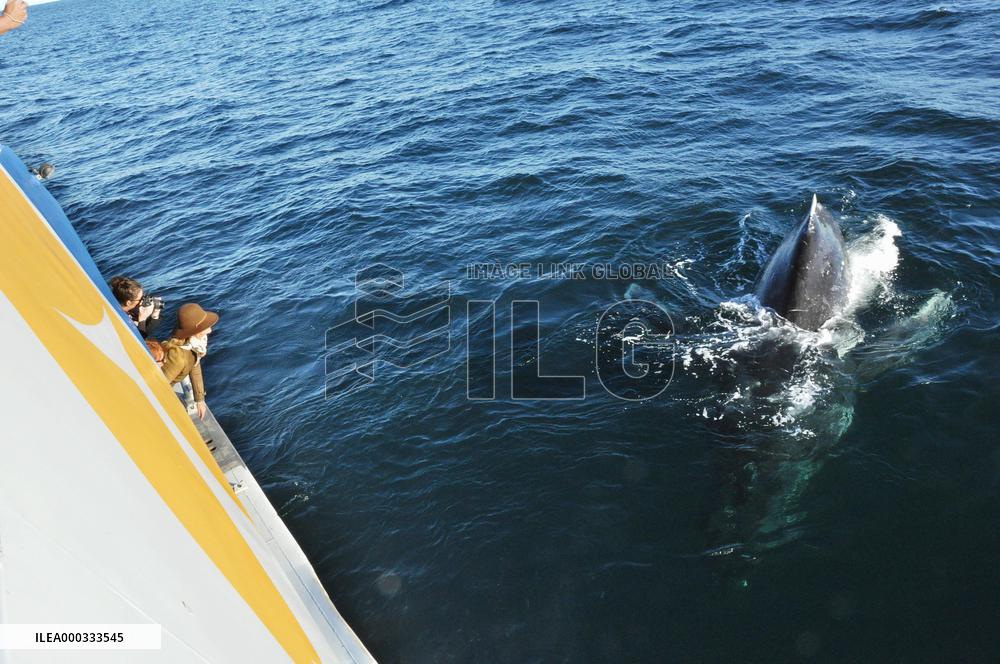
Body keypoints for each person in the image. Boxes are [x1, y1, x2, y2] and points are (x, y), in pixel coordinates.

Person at [160, 303, 219, 421]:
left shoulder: (192, 345)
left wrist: (200, 399)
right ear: (196, 331)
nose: (210, 330)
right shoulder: (178, 358)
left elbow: (194, 365)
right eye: (206, 327)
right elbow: (160, 385)